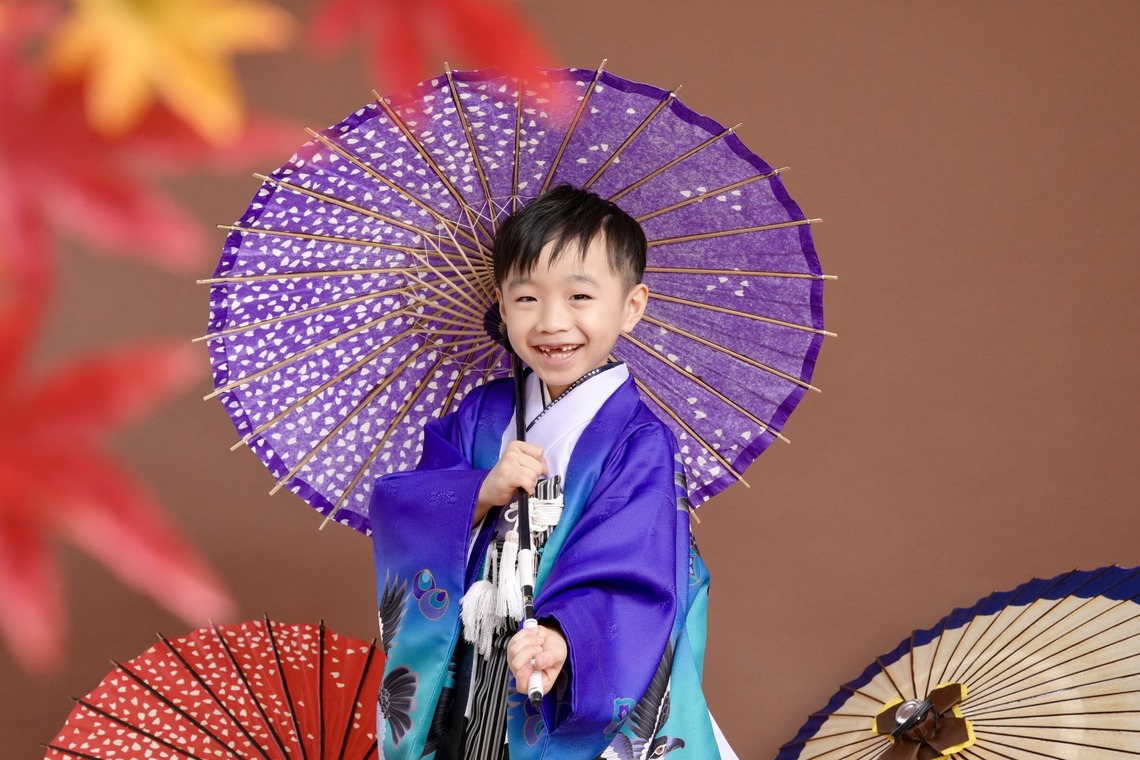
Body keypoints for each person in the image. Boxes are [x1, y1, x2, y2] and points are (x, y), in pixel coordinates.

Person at [369, 184, 734, 758]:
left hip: (553, 663)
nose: (552, 322)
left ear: (632, 307)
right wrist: (480, 492)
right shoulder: (481, 414)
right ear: (502, 303)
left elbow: (637, 570)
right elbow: (405, 506)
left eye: (580, 296)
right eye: (527, 298)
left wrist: (567, 638)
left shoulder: (639, 441)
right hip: (478, 654)